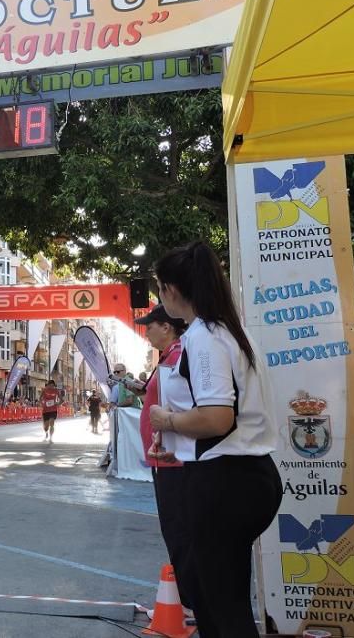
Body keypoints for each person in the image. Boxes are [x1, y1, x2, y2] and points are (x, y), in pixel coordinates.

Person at [148, 241, 280, 637]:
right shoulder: (229, 330)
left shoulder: (205, 335)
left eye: (158, 288)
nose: (159, 297)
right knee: (226, 599)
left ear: (171, 290)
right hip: (248, 475)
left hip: (225, 480)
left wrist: (167, 420)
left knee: (219, 607)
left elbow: (216, 417)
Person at [133, 304, 193, 613]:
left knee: (179, 528)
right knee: (174, 528)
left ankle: (188, 601)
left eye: (150, 325)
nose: (147, 331)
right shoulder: (169, 357)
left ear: (167, 327)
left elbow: (182, 406)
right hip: (164, 458)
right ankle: (188, 598)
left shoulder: (180, 355)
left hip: (174, 458)